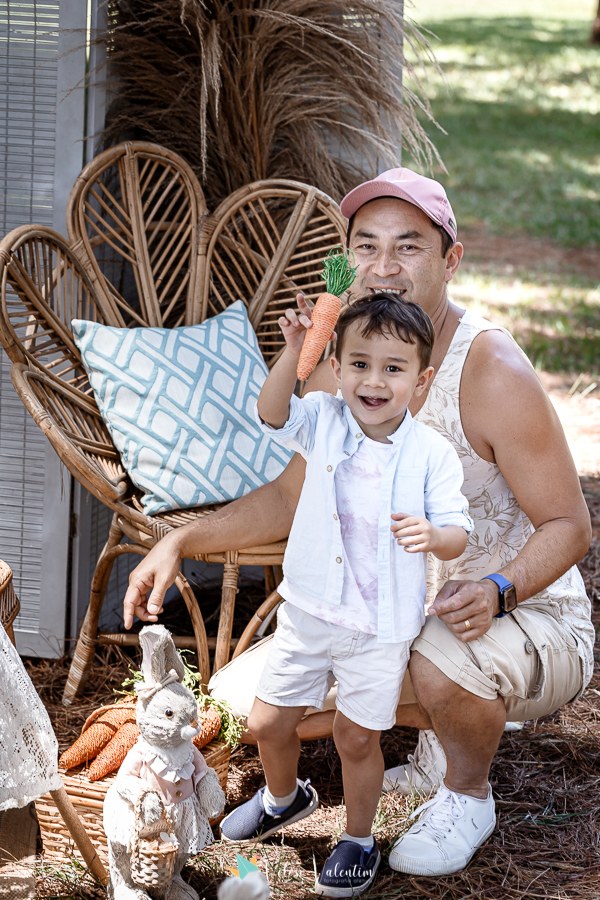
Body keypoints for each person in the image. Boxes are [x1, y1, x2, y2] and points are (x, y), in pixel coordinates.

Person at [123, 167, 593, 878]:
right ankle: (441, 731)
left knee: (440, 658)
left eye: (408, 247)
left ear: (450, 261)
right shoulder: (345, 357)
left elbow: (569, 524)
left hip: (519, 614)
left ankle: (467, 787)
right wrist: (178, 539)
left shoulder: (489, 369)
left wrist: (499, 587)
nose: (384, 267)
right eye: (366, 247)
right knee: (247, 710)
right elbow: (287, 498)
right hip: (379, 613)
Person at [218, 294, 472, 896]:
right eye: (358, 364)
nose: (373, 381)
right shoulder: (324, 418)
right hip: (309, 611)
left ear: (422, 378)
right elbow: (271, 411)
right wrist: (292, 351)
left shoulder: (431, 453)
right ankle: (284, 798)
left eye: (393, 368)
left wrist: (433, 535)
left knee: (357, 737)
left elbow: (458, 532)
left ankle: (359, 838)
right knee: (267, 721)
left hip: (378, 628)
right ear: (335, 364)